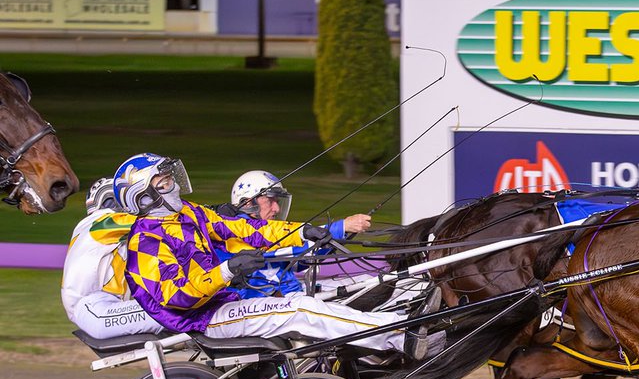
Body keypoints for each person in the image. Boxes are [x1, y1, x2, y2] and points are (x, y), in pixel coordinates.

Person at [114, 152, 428, 355]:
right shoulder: (145, 243)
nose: (175, 186)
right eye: (165, 182)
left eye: (171, 179)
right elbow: (177, 296)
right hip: (201, 319)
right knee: (301, 310)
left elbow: (250, 231)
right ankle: (397, 336)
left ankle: (396, 325)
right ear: (143, 196)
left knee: (304, 306)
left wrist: (304, 231)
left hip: (223, 304)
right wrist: (227, 271)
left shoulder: (190, 214)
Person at [216, 169, 371, 298]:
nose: (277, 209)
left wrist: (340, 237)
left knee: (368, 281)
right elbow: (295, 250)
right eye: (270, 201)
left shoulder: (269, 232)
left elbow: (298, 262)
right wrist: (341, 228)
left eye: (278, 201)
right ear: (248, 203)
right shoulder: (243, 233)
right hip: (270, 302)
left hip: (289, 294)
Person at [61, 177, 163, 339]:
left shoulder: (110, 235)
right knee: (177, 311)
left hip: (102, 308)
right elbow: (158, 222)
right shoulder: (99, 223)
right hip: (94, 308)